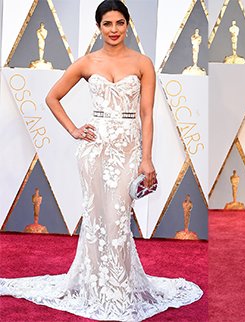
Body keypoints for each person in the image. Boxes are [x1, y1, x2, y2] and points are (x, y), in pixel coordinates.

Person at [0, 1, 202, 321]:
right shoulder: (87, 62)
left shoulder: (142, 63)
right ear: (99, 27)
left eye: (119, 23)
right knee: (96, 220)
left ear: (127, 24)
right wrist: (74, 130)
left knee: (118, 220)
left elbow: (146, 114)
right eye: (107, 24)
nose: (114, 29)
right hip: (94, 151)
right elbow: (52, 97)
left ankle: (118, 290)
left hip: (128, 147)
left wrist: (146, 159)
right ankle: (97, 287)